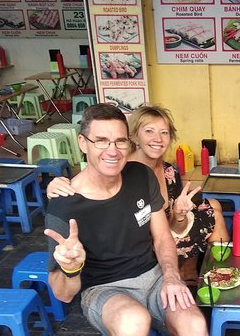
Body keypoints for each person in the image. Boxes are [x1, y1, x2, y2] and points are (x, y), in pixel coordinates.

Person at [44, 104, 217, 336]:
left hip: (154, 277)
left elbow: (162, 235)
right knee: (133, 323)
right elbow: (63, 293)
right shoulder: (64, 203)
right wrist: (71, 265)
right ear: (83, 144)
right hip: (104, 290)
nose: (112, 150)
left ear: (129, 143)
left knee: (195, 325)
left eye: (120, 141)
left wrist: (171, 276)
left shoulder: (139, 176)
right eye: (101, 141)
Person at [47, 105, 229, 285]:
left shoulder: (168, 171)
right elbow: (95, 188)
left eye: (164, 133)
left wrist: (179, 215)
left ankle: (211, 275)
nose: (157, 139)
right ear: (133, 137)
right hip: (139, 245)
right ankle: (199, 273)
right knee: (212, 216)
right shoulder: (120, 166)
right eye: (149, 131)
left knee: (213, 206)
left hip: (163, 230)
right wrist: (56, 186)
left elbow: (168, 223)